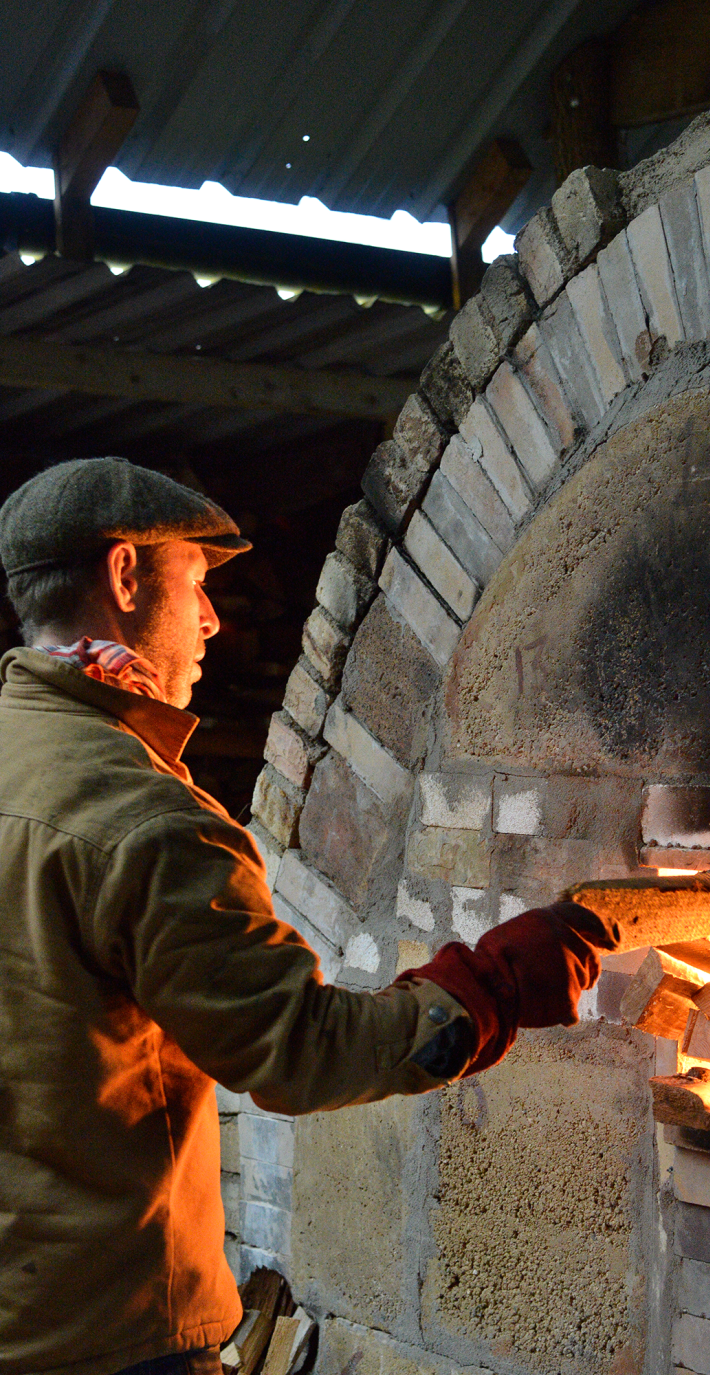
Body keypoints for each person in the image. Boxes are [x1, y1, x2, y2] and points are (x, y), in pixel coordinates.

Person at [0, 458, 618, 1375]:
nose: (212, 619)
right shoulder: (141, 822)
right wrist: (488, 988)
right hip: (104, 1341)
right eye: (196, 583)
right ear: (126, 576)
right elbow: (295, 1049)